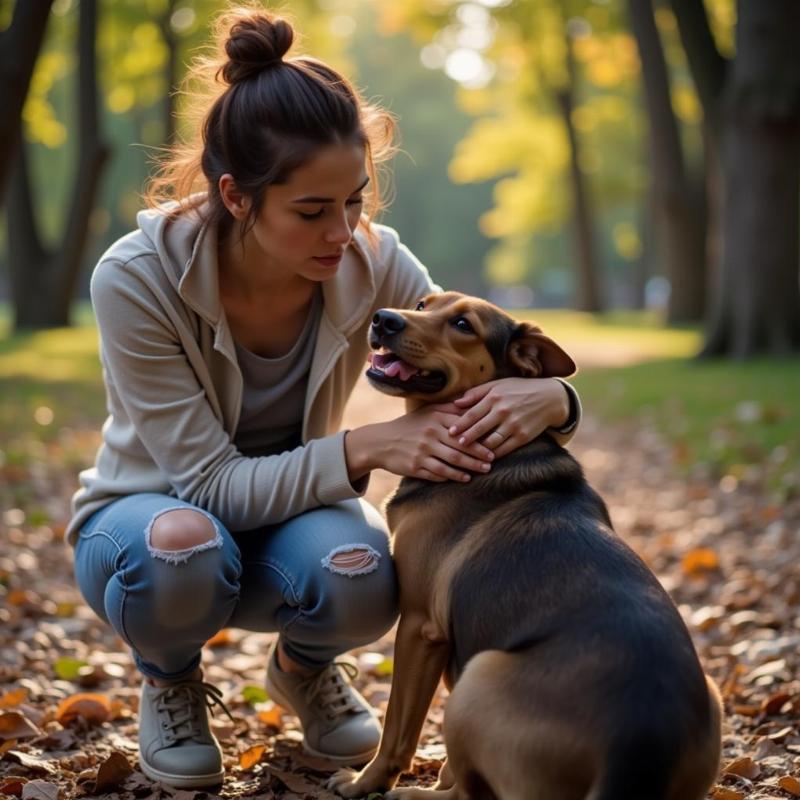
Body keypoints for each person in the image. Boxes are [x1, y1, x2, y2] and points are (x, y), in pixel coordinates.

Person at [68, 8, 581, 790]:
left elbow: (468, 341)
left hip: (286, 520)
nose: (344, 233)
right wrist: (366, 447)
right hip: (147, 518)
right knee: (183, 541)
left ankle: (302, 668)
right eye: (312, 210)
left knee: (365, 567)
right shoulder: (136, 278)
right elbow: (206, 485)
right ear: (237, 198)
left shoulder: (371, 258)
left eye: (356, 201)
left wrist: (555, 402)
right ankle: (169, 679)